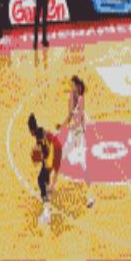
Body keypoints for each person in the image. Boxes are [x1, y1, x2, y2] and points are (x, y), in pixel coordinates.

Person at [58, 76, 94, 208]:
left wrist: (64, 127)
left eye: (72, 85)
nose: (71, 87)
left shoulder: (79, 99)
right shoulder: (73, 98)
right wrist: (63, 127)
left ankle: (90, 196)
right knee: (61, 157)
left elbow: (76, 117)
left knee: (82, 165)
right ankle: (49, 184)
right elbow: (72, 116)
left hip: (77, 135)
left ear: (77, 86)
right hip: (74, 134)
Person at [28, 113, 62, 195]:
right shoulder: (40, 130)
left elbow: (45, 153)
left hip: (55, 149)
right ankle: (50, 186)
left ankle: (48, 192)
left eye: (30, 130)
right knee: (50, 169)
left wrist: (39, 158)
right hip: (57, 145)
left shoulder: (39, 137)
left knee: (42, 177)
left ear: (32, 130)